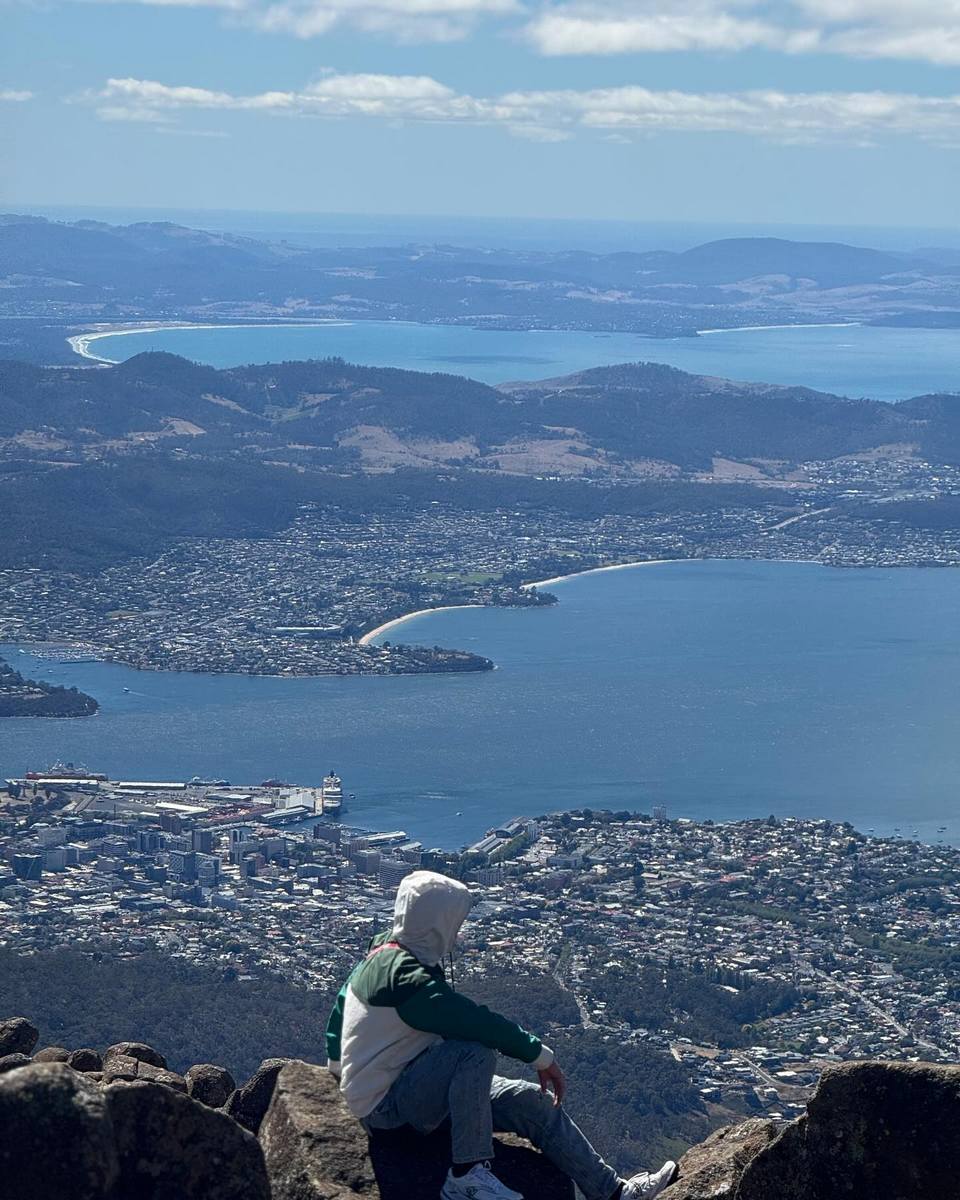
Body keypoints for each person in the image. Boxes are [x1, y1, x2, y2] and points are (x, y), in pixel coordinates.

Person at [326, 870, 678, 1200]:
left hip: (417, 1089)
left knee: (533, 1102)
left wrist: (339, 1069)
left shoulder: (386, 951)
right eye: (455, 923)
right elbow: (474, 1022)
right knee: (473, 1052)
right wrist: (540, 1055)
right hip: (391, 1114)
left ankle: (612, 1192)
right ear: (438, 924)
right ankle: (466, 1177)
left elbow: (341, 1007)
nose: (458, 933)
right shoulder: (406, 979)